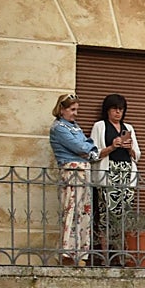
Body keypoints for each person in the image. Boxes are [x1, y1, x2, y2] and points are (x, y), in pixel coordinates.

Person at [49, 93, 116, 264]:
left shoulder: (75, 127)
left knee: (83, 213)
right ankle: (68, 253)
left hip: (83, 173)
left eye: (77, 110)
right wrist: (88, 149)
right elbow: (81, 147)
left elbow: (90, 143)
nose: (75, 113)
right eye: (72, 110)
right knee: (71, 211)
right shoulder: (59, 128)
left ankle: (81, 254)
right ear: (62, 110)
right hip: (72, 172)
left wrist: (89, 148)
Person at [90, 93, 141, 259]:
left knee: (124, 214)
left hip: (126, 173)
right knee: (105, 213)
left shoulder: (129, 128)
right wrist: (112, 147)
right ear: (107, 110)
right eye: (114, 109)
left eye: (121, 109)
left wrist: (128, 148)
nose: (118, 112)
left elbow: (137, 155)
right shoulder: (99, 126)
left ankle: (122, 255)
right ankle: (105, 255)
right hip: (108, 173)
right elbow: (94, 153)